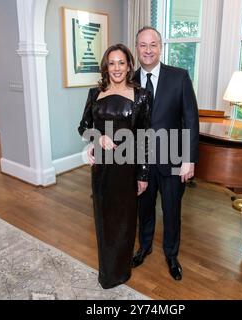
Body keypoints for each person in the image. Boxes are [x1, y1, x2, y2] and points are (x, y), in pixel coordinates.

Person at [78, 43, 152, 289]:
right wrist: (96, 137)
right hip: (102, 168)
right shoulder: (94, 93)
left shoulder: (141, 95)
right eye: (112, 63)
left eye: (121, 62)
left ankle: (121, 271)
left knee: (125, 220)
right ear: (106, 66)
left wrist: (143, 173)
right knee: (103, 218)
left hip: (127, 168)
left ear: (129, 65)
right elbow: (83, 127)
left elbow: (145, 137)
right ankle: (107, 272)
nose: (117, 68)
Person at [131, 26, 200, 281]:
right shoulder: (128, 81)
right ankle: (144, 247)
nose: (148, 50)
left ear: (160, 47)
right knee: (144, 209)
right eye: (143, 45)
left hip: (172, 159)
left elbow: (191, 120)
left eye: (153, 45)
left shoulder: (179, 77)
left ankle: (171, 256)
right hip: (140, 161)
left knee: (172, 212)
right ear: (137, 48)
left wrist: (189, 159)